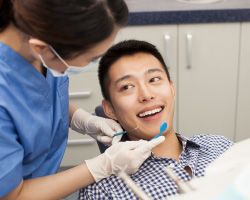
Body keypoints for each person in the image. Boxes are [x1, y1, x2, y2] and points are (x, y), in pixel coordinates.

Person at [0, 1, 165, 199]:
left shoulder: (41, 44)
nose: (147, 96)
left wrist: (82, 120)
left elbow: (39, 99)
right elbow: (11, 195)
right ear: (41, 49)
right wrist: (101, 166)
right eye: (92, 58)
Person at [79, 40, 233, 199]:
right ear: (110, 109)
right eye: (127, 87)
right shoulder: (103, 190)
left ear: (172, 88)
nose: (146, 95)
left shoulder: (221, 147)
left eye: (153, 79)